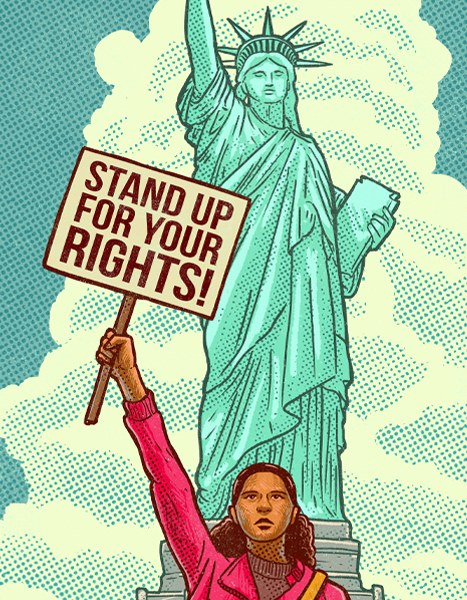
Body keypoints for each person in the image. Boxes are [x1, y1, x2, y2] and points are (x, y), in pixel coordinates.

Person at [179, 0, 396, 521]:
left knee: (303, 403)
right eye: (257, 72)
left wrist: (360, 232)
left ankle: (307, 511)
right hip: (239, 295)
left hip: (305, 311)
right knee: (230, 393)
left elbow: (327, 256)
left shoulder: (306, 153)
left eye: (281, 72)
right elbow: (202, 53)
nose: (271, 81)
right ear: (241, 83)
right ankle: (222, 507)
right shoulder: (225, 129)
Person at [97, 330, 350, 600]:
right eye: (251, 497)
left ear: (292, 512)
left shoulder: (327, 595)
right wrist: (130, 379)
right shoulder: (210, 573)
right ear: (234, 512)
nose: (263, 506)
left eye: (276, 497)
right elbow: (172, 487)